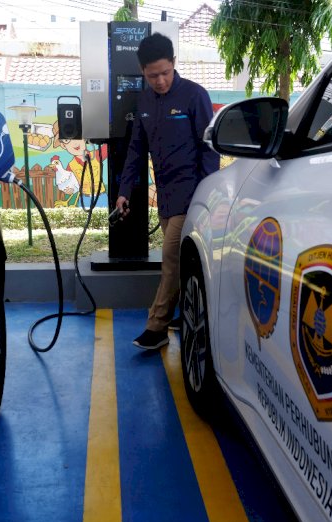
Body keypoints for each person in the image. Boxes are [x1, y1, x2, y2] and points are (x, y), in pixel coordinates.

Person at [114, 32, 220, 351]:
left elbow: (209, 149)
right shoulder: (144, 101)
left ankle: (157, 326)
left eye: (165, 73)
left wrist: (206, 193)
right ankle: (183, 312)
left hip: (192, 195)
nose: (160, 81)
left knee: (171, 258)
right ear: (143, 72)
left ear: (174, 64)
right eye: (152, 75)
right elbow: (136, 149)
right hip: (165, 197)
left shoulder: (194, 96)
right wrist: (124, 191)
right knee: (184, 261)